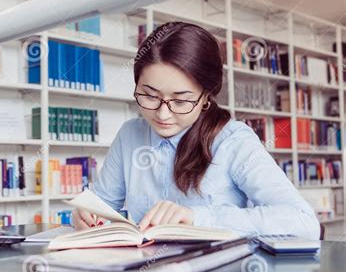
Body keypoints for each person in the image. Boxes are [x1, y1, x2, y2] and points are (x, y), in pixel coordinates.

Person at [71, 22, 320, 240]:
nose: (162, 114)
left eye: (181, 101)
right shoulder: (130, 135)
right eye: (149, 96)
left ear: (205, 97)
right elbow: (102, 207)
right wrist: (88, 216)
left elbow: (303, 221)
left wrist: (197, 218)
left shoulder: (233, 140)